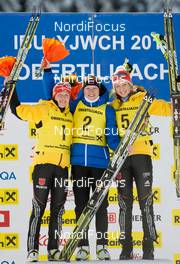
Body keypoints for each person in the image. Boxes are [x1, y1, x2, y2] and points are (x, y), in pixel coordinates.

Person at [42, 66, 120, 260]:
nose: (91, 91)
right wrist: (47, 72)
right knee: (80, 205)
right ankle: (83, 246)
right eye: (87, 88)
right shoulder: (75, 105)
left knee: (101, 205)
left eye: (94, 89)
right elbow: (53, 93)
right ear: (83, 90)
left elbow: (112, 136)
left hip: (101, 164)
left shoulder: (107, 108)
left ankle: (102, 246)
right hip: (78, 164)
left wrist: (122, 147)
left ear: (99, 90)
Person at [111, 65, 172, 260]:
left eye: (125, 85)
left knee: (146, 201)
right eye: (118, 85)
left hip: (142, 156)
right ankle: (126, 247)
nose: (122, 89)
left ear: (131, 85)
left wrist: (175, 102)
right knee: (124, 204)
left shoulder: (143, 100)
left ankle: (148, 247)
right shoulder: (113, 106)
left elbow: (166, 109)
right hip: (122, 159)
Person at [9, 81, 73, 262]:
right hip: (43, 166)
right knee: (39, 208)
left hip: (62, 168)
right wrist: (11, 88)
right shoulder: (43, 108)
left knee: (58, 210)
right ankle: (32, 250)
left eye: (66, 95)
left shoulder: (71, 115)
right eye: (59, 94)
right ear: (54, 95)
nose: (62, 97)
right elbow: (19, 111)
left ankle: (53, 249)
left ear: (69, 97)